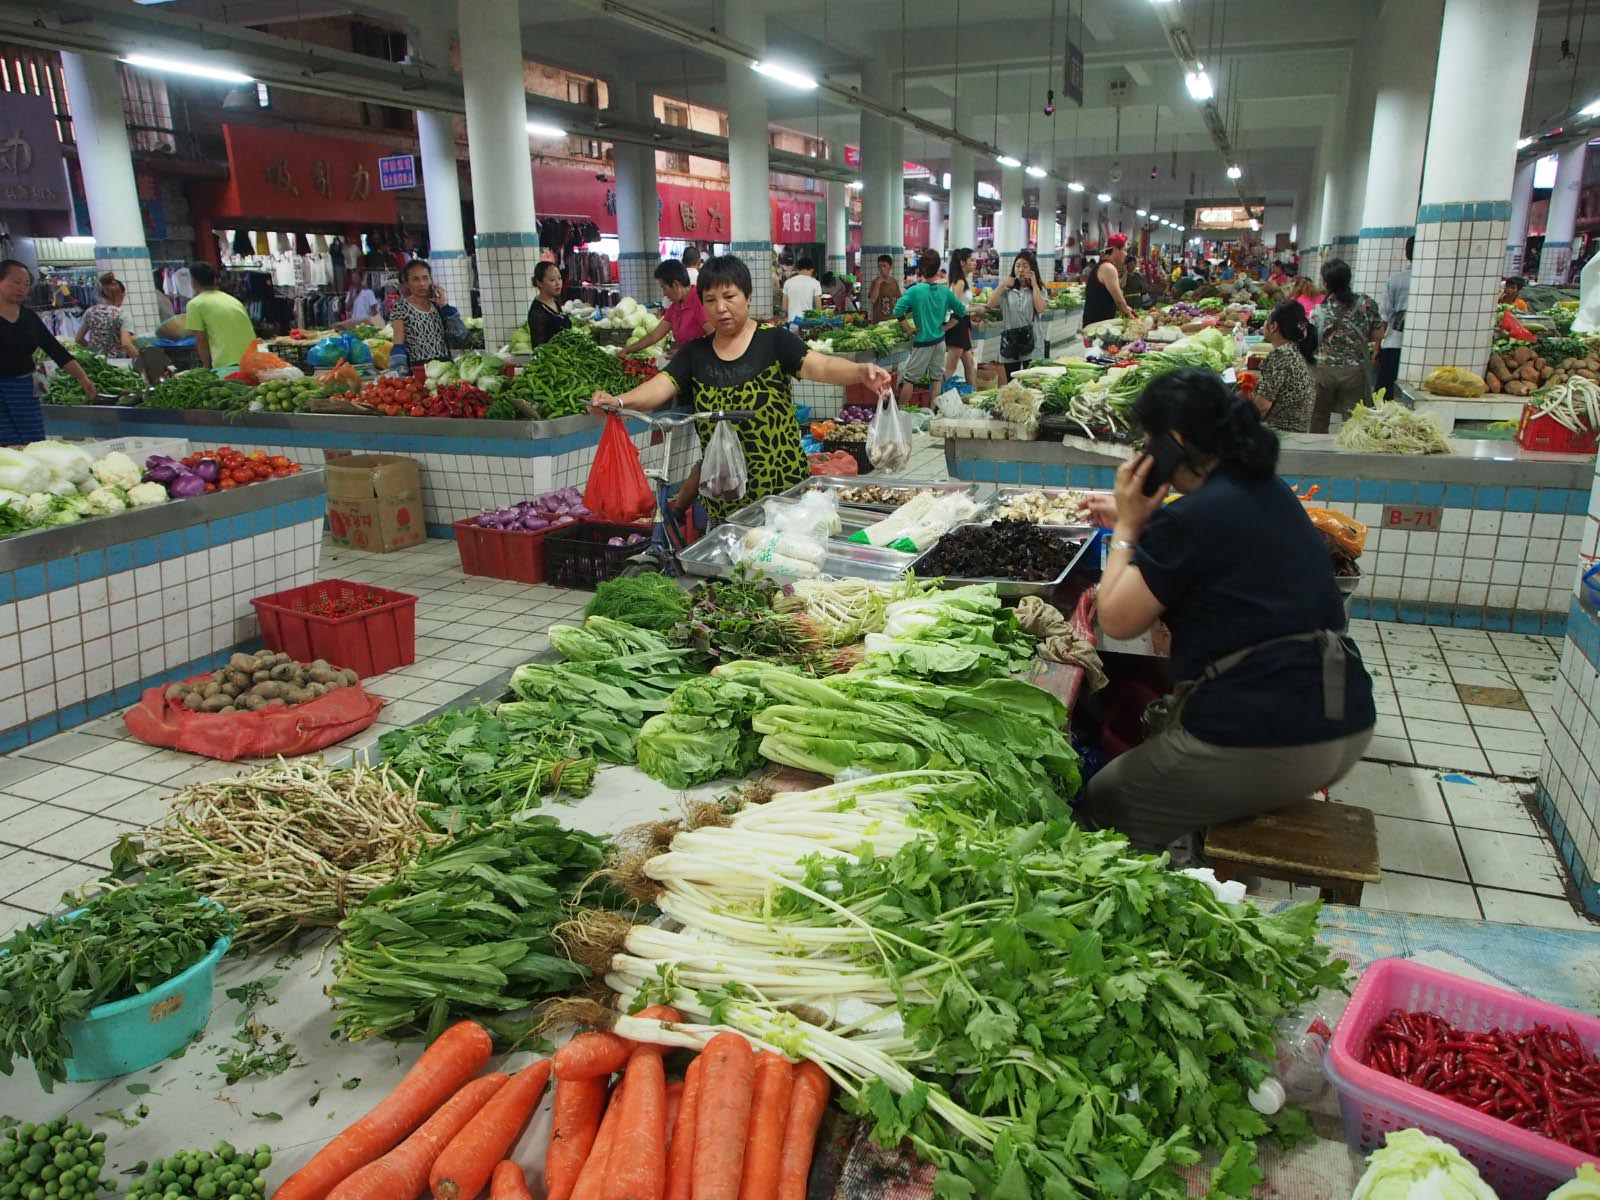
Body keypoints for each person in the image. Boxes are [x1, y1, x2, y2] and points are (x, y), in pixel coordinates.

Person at [1080, 367, 1375, 856]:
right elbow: (1207, 544)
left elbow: (1116, 619)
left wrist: (1129, 527)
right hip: (1344, 719)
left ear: (1173, 442)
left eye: (1149, 441)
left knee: (1102, 805)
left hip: (1274, 740)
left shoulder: (1192, 518)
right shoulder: (1263, 489)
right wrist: (1147, 523)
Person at [589, 254, 893, 521]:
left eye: (729, 296)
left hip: (781, 495)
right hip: (724, 495)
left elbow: (820, 365)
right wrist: (619, 401)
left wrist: (859, 372)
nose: (721, 308)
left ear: (747, 296)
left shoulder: (773, 340)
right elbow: (659, 387)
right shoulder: (695, 353)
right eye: (710, 300)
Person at [1, 259, 95, 437]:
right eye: (16, 282)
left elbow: (55, 350)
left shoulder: (29, 317)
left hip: (25, 389)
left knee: (33, 440)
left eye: (26, 284)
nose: (22, 288)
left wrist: (83, 378)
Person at [1311, 259, 1384, 433]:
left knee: (1318, 418)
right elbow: (1378, 334)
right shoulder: (1365, 304)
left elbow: (1313, 338)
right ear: (1348, 278)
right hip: (1355, 371)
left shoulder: (1320, 309)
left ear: (1326, 282)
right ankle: (1350, 455)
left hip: (1324, 371)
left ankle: (1315, 455)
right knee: (1354, 420)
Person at [893, 249, 964, 405]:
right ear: (938, 269)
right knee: (936, 378)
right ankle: (932, 413)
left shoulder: (915, 291)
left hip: (922, 342)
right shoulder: (945, 292)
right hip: (939, 341)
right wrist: (946, 327)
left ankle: (901, 414)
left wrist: (908, 328)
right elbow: (961, 310)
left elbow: (897, 310)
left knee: (909, 379)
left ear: (921, 268)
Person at [623, 259, 711, 357]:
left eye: (664, 288)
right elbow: (654, 336)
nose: (664, 293)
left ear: (676, 285)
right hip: (689, 363)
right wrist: (628, 349)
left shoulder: (699, 302)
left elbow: (715, 336)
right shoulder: (676, 306)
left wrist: (686, 353)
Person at [1254, 301, 1319, 433]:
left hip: (1282, 432)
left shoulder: (1281, 355)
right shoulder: (1295, 348)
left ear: (1274, 327)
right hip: (1297, 428)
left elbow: (1262, 407)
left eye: (1267, 321)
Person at [989, 250, 1048, 384]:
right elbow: (990, 305)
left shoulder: (1038, 288)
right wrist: (1002, 285)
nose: (1021, 269)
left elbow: (1040, 309)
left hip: (1033, 341)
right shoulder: (1007, 290)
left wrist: (1034, 285)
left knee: (1031, 382)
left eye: (1025, 265)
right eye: (1018, 265)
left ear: (1032, 268)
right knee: (1012, 382)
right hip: (1011, 342)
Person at [184, 262, 256, 371]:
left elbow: (201, 341)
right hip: (253, 359)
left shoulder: (195, 304)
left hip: (227, 363)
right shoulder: (232, 299)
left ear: (194, 282)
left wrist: (206, 368)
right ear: (214, 280)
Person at [390, 260, 458, 369]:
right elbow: (398, 343)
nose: (422, 284)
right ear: (407, 283)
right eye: (416, 279)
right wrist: (400, 373)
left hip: (445, 367)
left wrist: (444, 305)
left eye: (425, 278)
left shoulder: (437, 306)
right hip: (419, 369)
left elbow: (460, 336)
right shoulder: (401, 307)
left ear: (431, 281)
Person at [1375, 237, 1412, 401]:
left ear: (1406, 253)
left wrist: (1377, 347)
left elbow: (1384, 316)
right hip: (1417, 351)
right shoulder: (1436, 281)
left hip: (1394, 344)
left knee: (1384, 396)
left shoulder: (1396, 279)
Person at [76, 273, 138, 359]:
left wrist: (92, 351)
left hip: (96, 363)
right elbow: (126, 344)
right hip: (117, 364)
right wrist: (141, 362)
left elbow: (78, 339)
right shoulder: (123, 314)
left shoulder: (90, 311)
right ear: (122, 295)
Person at [1082, 233, 1136, 327]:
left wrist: (1126, 308)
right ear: (1115, 249)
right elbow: (1119, 300)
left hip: (1096, 323)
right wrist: (1132, 318)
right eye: (1124, 250)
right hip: (1097, 326)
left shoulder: (1103, 265)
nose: (1126, 254)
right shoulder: (1108, 268)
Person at [943, 247, 978, 386]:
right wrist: (975, 308)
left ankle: (973, 396)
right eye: (972, 260)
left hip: (962, 324)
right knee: (951, 368)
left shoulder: (962, 280)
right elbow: (954, 306)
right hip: (957, 325)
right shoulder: (960, 282)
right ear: (963, 262)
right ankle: (936, 397)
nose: (975, 263)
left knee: (969, 364)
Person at [526, 262, 570, 350]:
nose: (558, 283)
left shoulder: (555, 301)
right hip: (553, 361)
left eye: (559, 278)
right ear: (539, 283)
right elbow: (539, 348)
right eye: (552, 280)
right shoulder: (537, 312)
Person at [782, 257, 823, 323]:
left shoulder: (788, 282)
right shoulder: (815, 283)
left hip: (792, 321)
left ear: (797, 269)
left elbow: (784, 307)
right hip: (807, 321)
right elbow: (818, 306)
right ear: (812, 270)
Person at [866, 253, 901, 324]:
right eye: (879, 266)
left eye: (884, 266)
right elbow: (872, 300)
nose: (882, 269)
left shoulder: (894, 282)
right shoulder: (875, 282)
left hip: (893, 318)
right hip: (879, 320)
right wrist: (878, 284)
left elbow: (899, 299)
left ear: (890, 267)